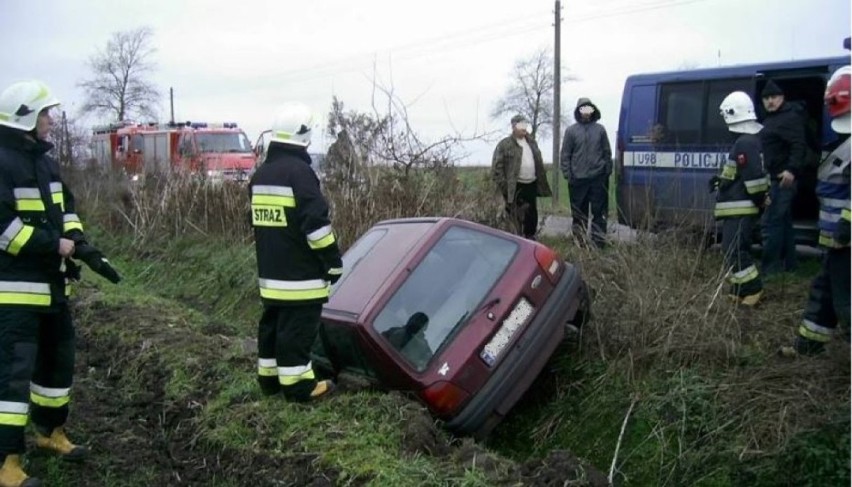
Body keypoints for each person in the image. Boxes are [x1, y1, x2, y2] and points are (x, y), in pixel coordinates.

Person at [0, 80, 121, 487]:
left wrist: (84, 247)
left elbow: (65, 211)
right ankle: (7, 462)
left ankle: (50, 432)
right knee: (12, 379)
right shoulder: (1, 161)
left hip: (52, 290)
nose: (51, 120)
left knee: (56, 368)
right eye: (45, 114)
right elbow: (7, 232)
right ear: (26, 119)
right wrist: (59, 245)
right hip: (13, 295)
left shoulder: (45, 162)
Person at [249, 102, 342, 402]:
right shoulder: (300, 174)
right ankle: (299, 387)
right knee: (297, 332)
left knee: (273, 327)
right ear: (303, 136)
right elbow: (316, 226)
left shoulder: (261, 175)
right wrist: (332, 262)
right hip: (300, 278)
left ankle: (270, 380)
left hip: (271, 275)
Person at [780, 66, 851, 357]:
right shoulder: (845, 144)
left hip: (847, 241)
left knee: (846, 302)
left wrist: (848, 224)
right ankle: (808, 346)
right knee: (823, 293)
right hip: (836, 241)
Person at [710, 91, 769, 306]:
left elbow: (754, 178)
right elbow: (737, 174)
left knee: (735, 250)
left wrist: (760, 199)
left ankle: (753, 289)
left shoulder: (745, 142)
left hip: (741, 208)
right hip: (737, 207)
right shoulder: (747, 141)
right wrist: (719, 181)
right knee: (730, 250)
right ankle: (739, 288)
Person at [759, 79, 808, 275]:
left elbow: (799, 145)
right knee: (784, 223)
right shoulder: (770, 118)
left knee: (771, 223)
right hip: (774, 177)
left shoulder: (790, 117)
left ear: (782, 98)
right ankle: (791, 265)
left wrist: (791, 170)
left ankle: (770, 270)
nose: (770, 101)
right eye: (766, 98)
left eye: (774, 97)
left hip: (782, 178)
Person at [560, 97, 612, 248]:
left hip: (598, 179)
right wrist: (568, 175)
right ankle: (580, 243)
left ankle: (599, 244)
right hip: (578, 180)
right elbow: (565, 155)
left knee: (599, 214)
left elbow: (606, 152)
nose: (586, 112)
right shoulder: (571, 131)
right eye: (583, 109)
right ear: (578, 111)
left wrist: (606, 171)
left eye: (589, 109)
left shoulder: (600, 130)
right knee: (578, 215)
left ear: (592, 111)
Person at [491, 114, 552, 239]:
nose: (524, 128)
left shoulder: (532, 142)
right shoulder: (504, 144)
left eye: (525, 125)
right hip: (515, 186)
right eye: (520, 125)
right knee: (514, 214)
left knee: (531, 214)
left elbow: (538, 162)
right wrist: (504, 186)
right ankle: (515, 238)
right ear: (513, 127)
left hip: (531, 183)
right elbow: (497, 167)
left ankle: (530, 237)